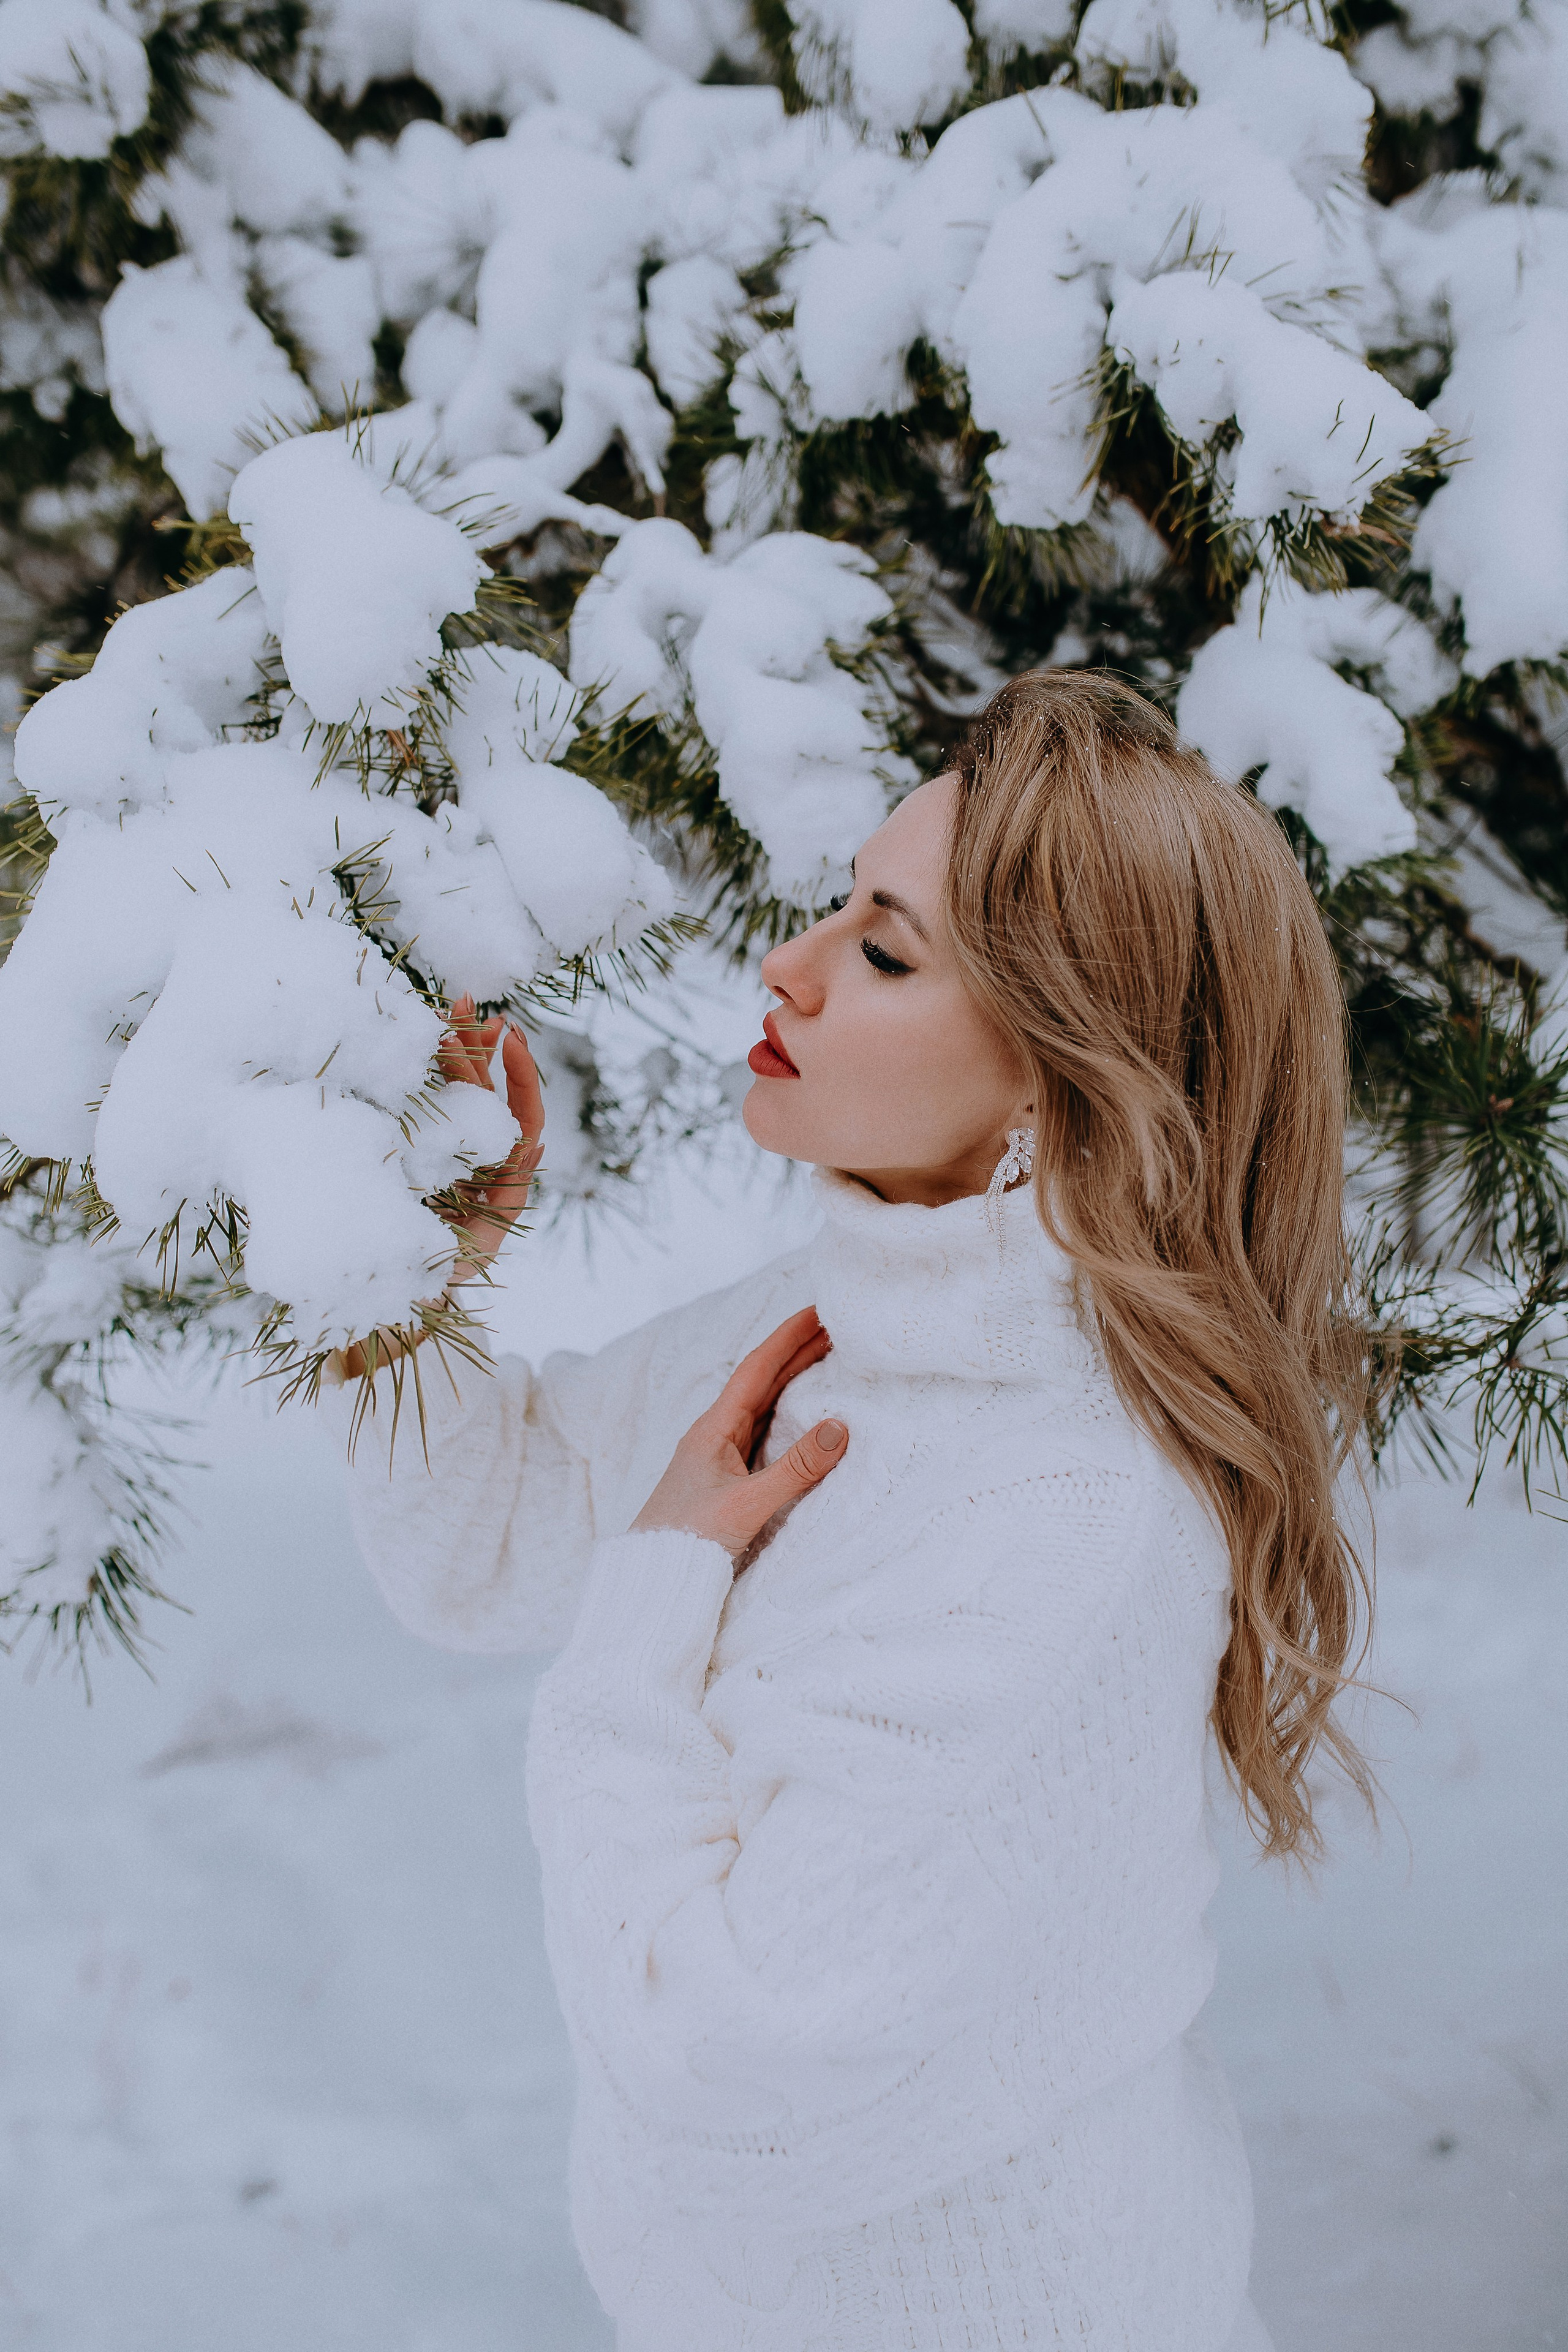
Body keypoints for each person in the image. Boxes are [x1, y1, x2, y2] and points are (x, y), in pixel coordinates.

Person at [331, 671, 1371, 2351]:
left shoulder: (1067, 1526)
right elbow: (488, 1543)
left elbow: (730, 2079)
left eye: (885, 952)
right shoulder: (843, 1322)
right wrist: (401, 1278)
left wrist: (654, 1613)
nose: (787, 965)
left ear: (1059, 1084)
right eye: (840, 908)